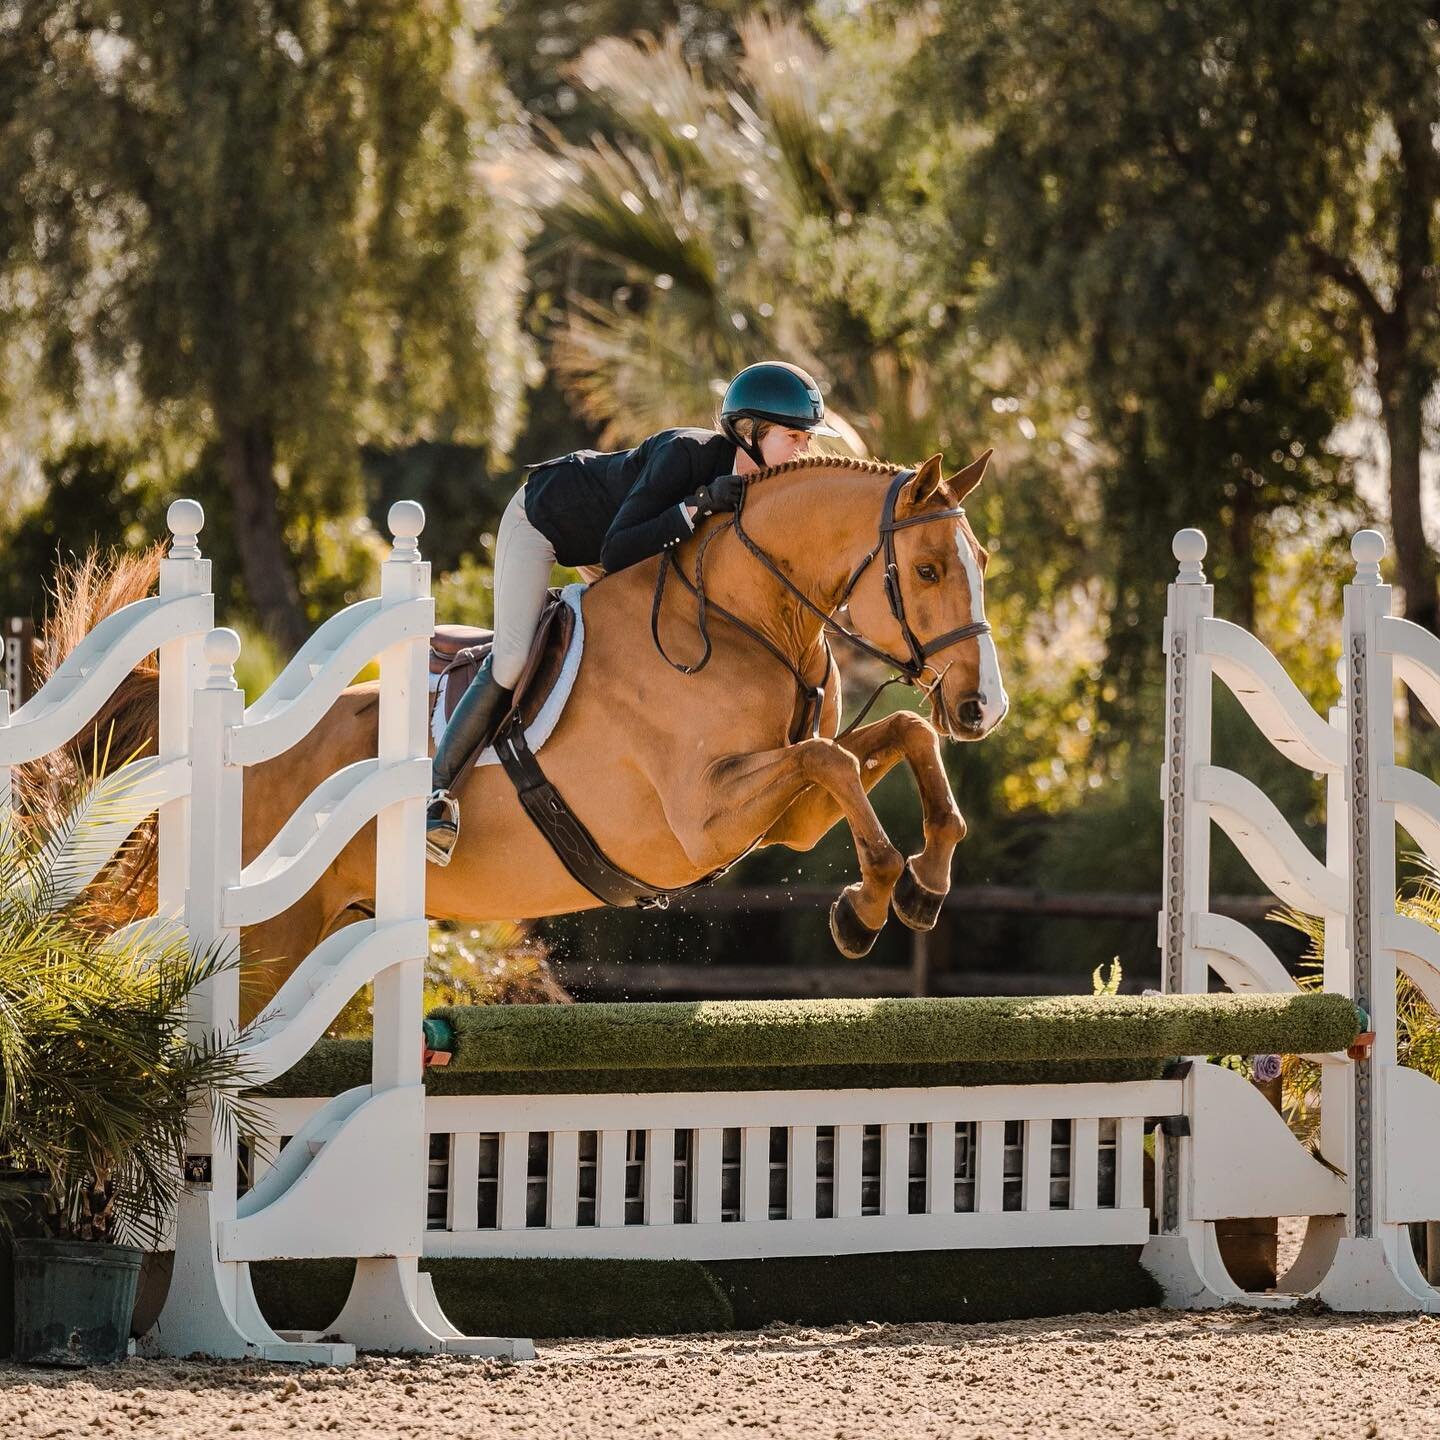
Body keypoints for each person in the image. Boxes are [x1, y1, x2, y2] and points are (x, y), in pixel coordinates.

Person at [425, 359, 842, 864]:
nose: (806, 448)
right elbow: (619, 549)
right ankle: (438, 795)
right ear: (751, 432)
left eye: (807, 437)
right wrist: (697, 506)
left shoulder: (763, 490)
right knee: (513, 657)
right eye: (795, 436)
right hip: (546, 522)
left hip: (621, 546)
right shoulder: (684, 454)